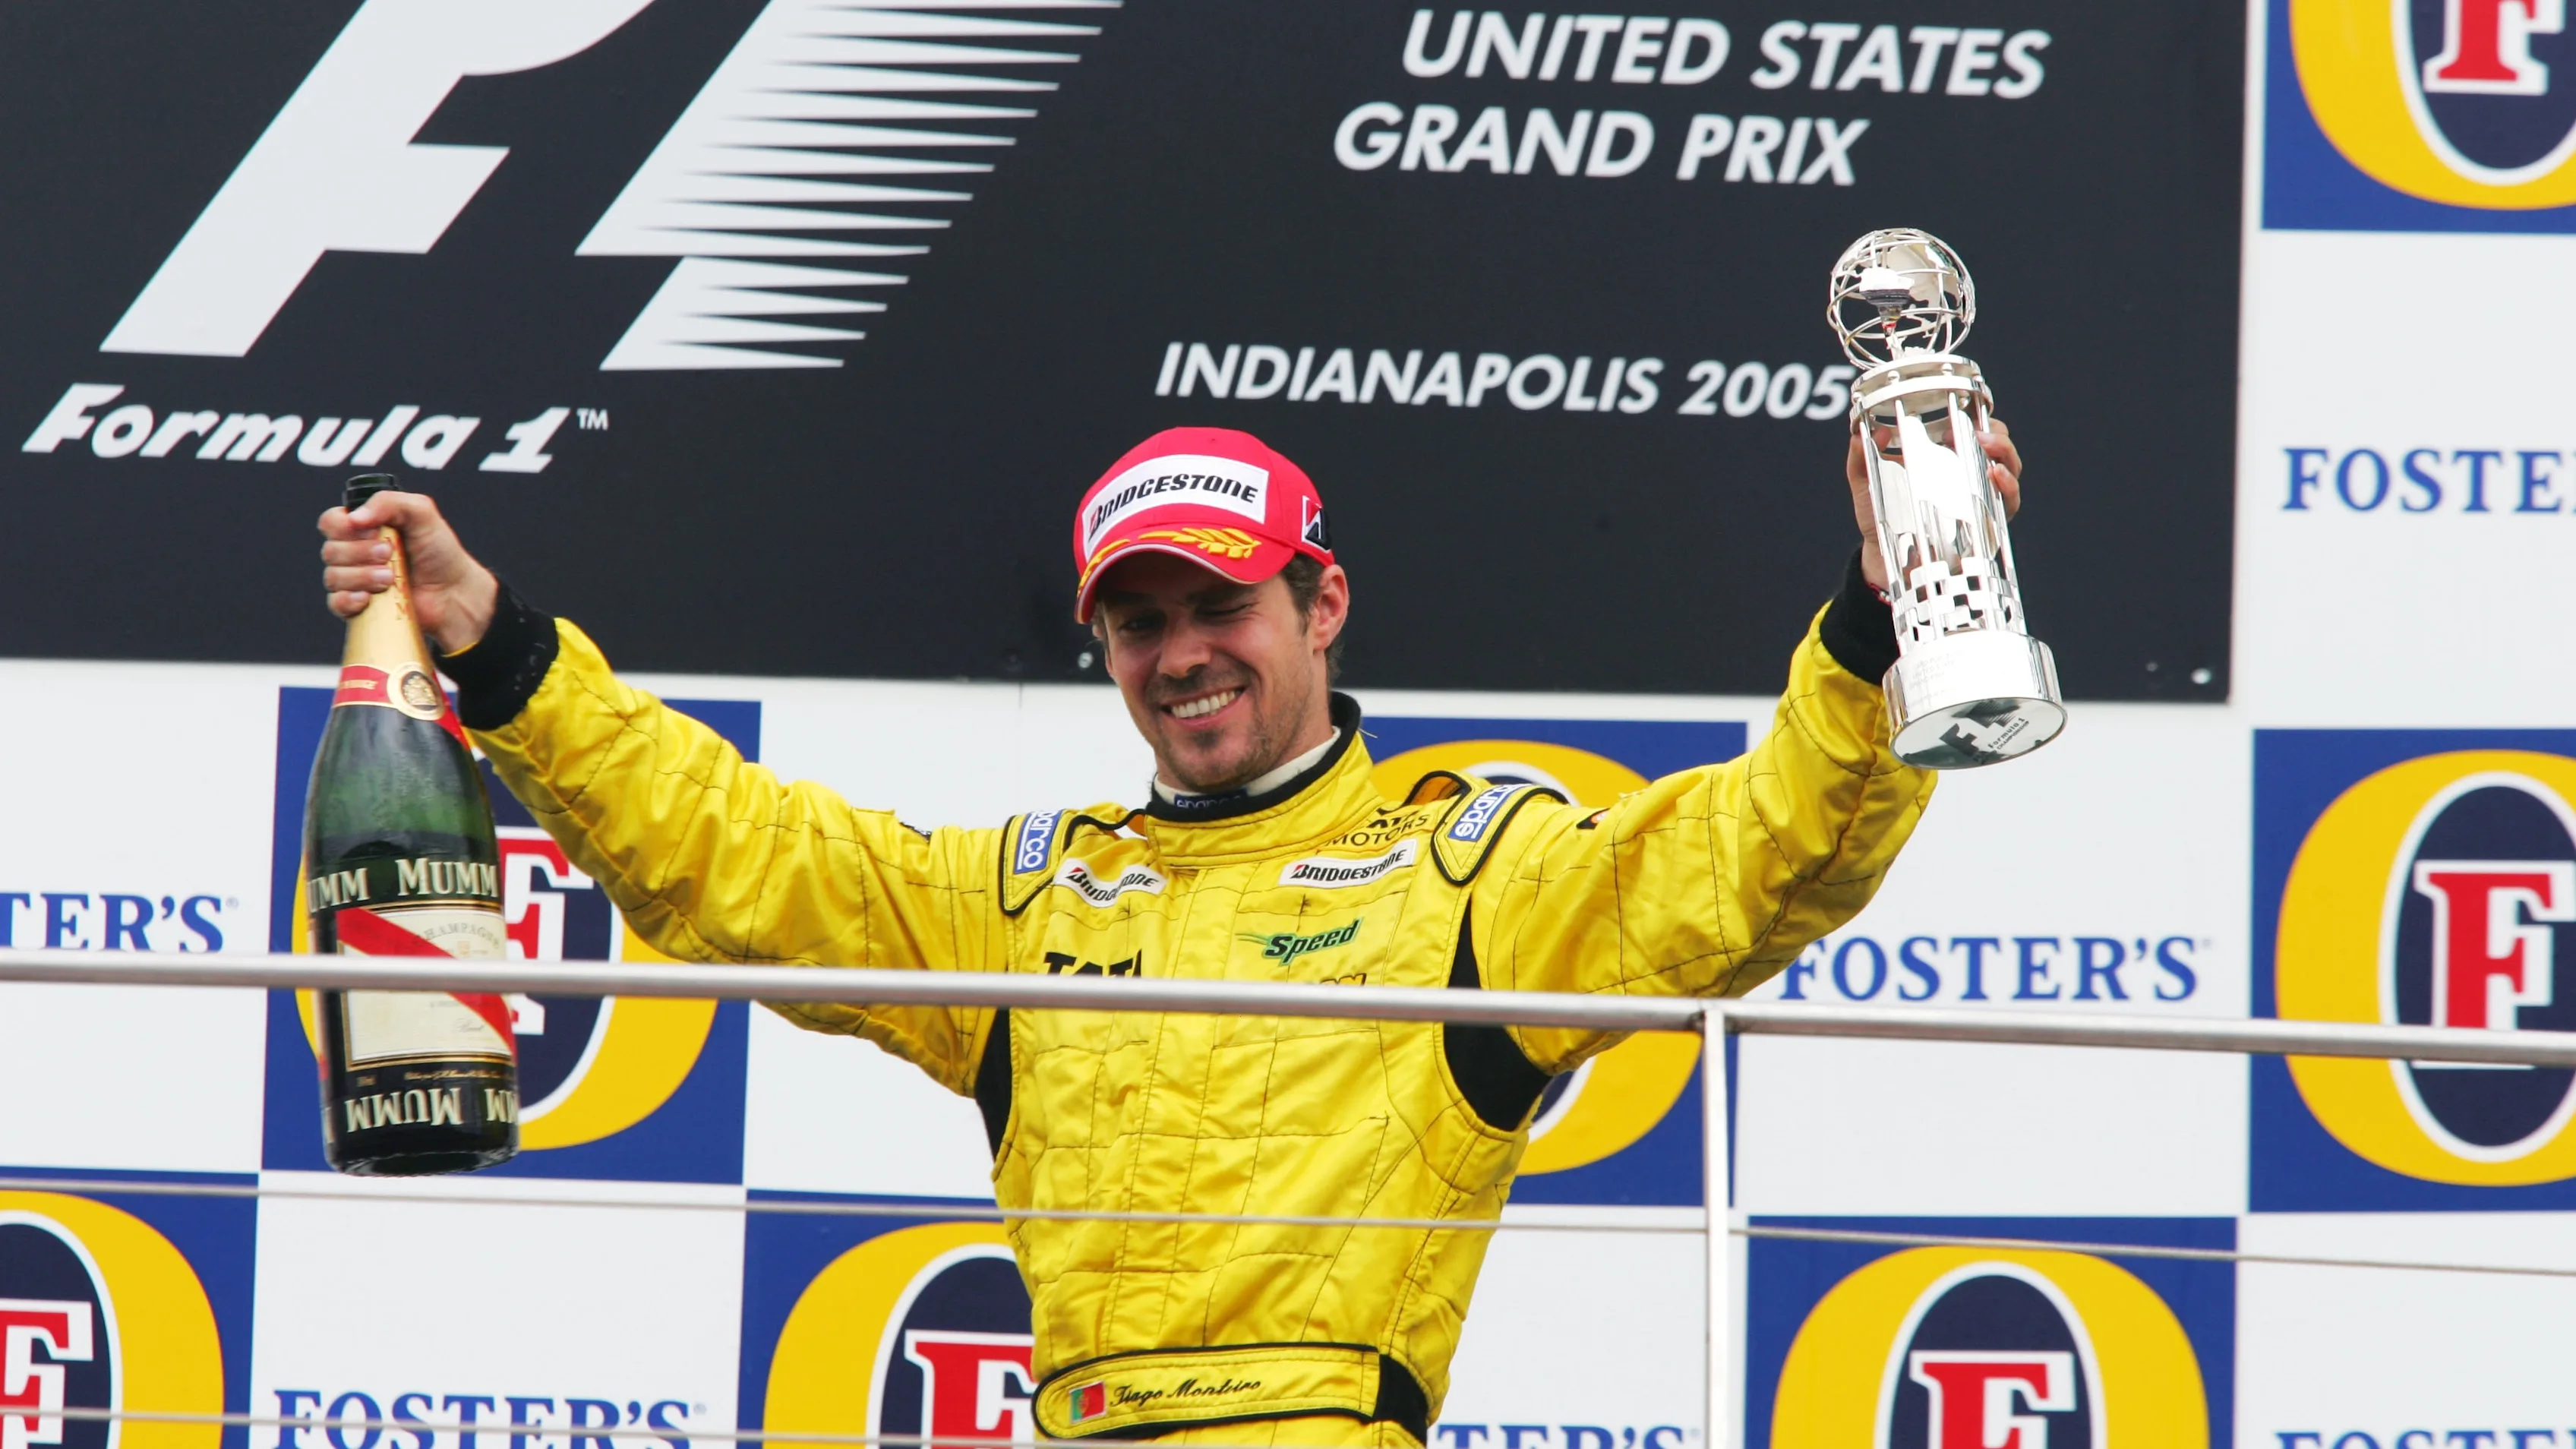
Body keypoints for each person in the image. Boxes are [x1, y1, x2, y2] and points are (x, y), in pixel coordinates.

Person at [318, 421, 2022, 1447]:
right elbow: (743, 862)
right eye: (1140, 622)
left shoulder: (1477, 866)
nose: (1182, 653)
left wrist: (1883, 622)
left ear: (1320, 604)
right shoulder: (1029, 887)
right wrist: (502, 649)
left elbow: (1755, 857)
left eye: (1222, 605)